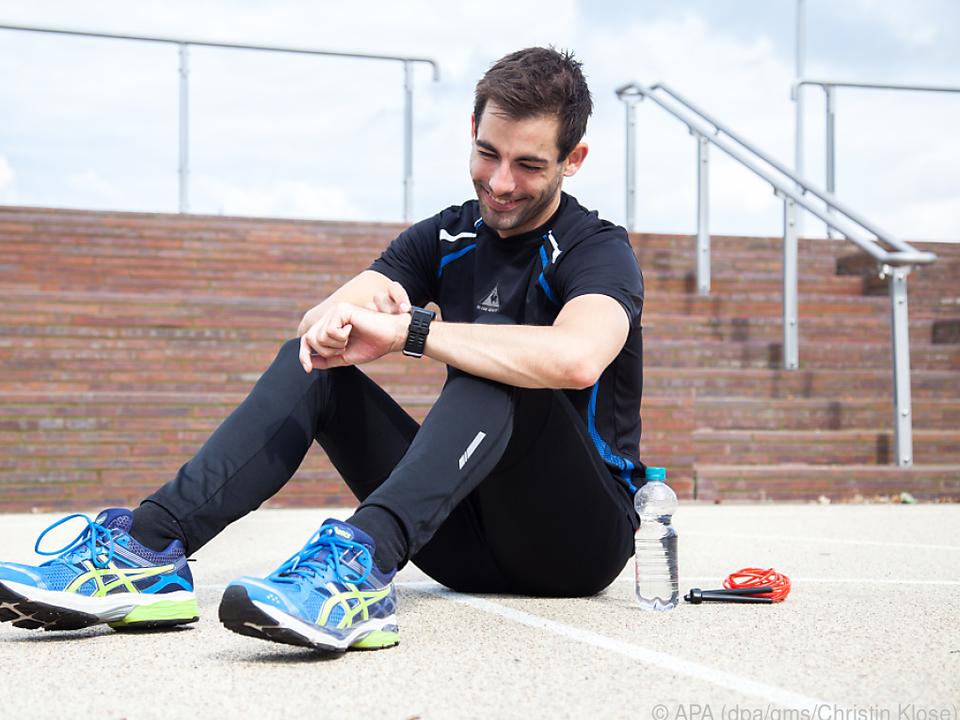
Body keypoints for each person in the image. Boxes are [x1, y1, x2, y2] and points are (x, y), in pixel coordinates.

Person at [0, 46, 645, 652]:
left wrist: (410, 333)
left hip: (575, 541)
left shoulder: (596, 250)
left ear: (573, 159)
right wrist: (336, 324)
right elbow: (329, 313)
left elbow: (576, 357)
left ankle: (357, 567)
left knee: (499, 368)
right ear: (473, 129)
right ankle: (147, 550)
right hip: (458, 542)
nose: (501, 182)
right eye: (487, 153)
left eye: (529, 164)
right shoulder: (448, 235)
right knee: (313, 362)